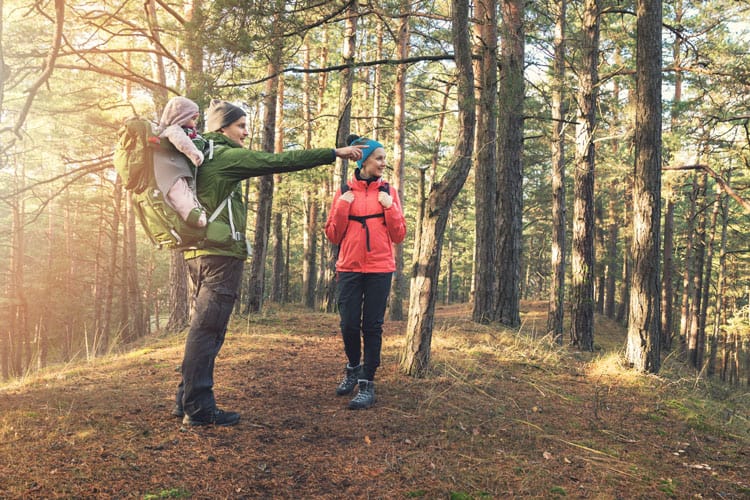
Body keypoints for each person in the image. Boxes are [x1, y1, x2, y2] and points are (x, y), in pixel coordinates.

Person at [174, 99, 366, 426]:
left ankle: (185, 401)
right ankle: (199, 409)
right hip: (220, 256)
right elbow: (279, 161)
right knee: (209, 330)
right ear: (222, 128)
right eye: (241, 126)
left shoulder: (201, 156)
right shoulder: (225, 156)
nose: (246, 133)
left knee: (202, 328)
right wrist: (332, 153)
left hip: (197, 253)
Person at [324, 134, 406, 410]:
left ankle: (367, 383)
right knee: (348, 323)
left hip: (380, 268)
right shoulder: (343, 191)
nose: (384, 163)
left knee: (372, 327)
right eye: (379, 158)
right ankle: (352, 369)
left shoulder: (389, 193)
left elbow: (399, 234)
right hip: (349, 267)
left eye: (384, 158)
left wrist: (389, 207)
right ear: (365, 160)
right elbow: (333, 235)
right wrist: (342, 205)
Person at [155, 96, 208, 228]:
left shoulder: (185, 132)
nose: (195, 123)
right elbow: (182, 142)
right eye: (193, 119)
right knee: (179, 193)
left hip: (176, 169)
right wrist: (196, 155)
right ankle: (194, 217)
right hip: (170, 171)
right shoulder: (173, 130)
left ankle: (193, 214)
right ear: (181, 117)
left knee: (185, 191)